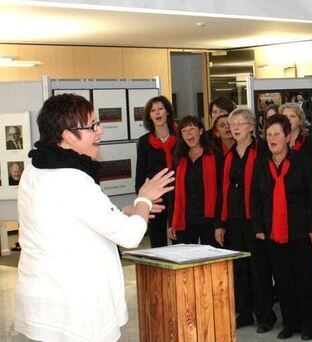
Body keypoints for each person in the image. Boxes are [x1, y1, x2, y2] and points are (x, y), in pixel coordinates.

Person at [14, 93, 174, 342]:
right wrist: (144, 199)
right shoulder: (72, 178)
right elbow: (129, 236)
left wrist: (126, 213)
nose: (100, 132)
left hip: (46, 297)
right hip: (75, 303)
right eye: (93, 126)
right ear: (68, 135)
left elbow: (73, 221)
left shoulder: (35, 168)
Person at [251, 114, 312, 341]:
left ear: (288, 137)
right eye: (268, 134)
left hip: (299, 230)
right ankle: (290, 323)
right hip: (273, 231)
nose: (272, 139)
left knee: (304, 278)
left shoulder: (301, 160)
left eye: (276, 134)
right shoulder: (262, 163)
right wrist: (259, 226)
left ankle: (308, 324)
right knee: (283, 280)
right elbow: (256, 197)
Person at [216, 107, 277, 333]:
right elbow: (224, 191)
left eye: (240, 123)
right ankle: (245, 312)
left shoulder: (262, 151)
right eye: (232, 124)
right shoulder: (229, 155)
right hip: (235, 219)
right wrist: (220, 223)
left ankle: (265, 315)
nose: (235, 128)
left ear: (252, 127)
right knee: (239, 268)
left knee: (259, 269)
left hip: (256, 220)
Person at [167, 116, 223, 246]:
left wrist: (220, 224)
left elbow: (222, 192)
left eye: (192, 129)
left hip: (209, 220)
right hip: (184, 220)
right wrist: (171, 223)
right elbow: (173, 193)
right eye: (184, 131)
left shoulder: (216, 156)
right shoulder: (178, 159)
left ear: (201, 131)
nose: (188, 134)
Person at [135, 95, 177, 247]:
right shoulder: (144, 142)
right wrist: (142, 198)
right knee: (157, 240)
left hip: (178, 194)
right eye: (153, 111)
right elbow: (141, 172)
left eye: (160, 109)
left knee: (179, 239)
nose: (157, 113)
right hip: (156, 197)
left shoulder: (179, 137)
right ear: (149, 116)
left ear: (167, 112)